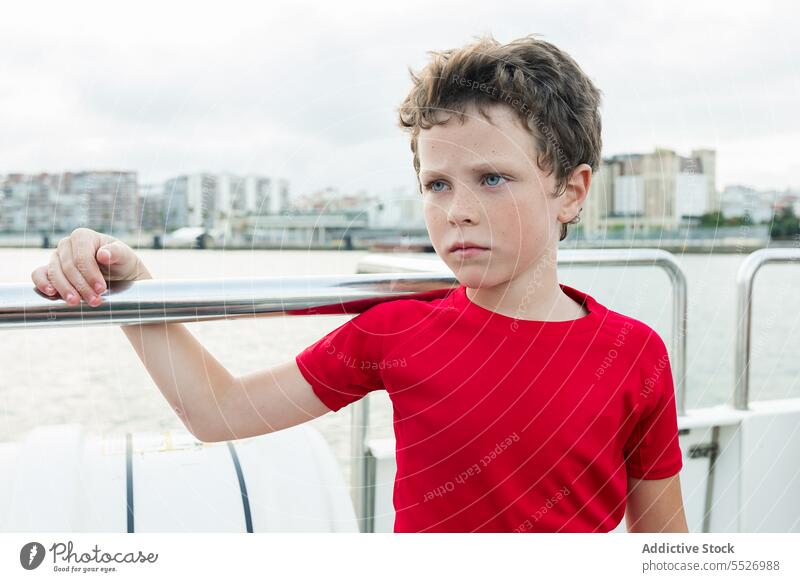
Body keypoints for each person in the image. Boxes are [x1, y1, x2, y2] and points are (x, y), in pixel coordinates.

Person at [30, 33, 687, 533]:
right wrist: (132, 284)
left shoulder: (634, 355)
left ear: (570, 192)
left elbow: (665, 547)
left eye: (492, 178)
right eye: (436, 184)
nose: (456, 209)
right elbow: (218, 411)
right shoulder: (398, 328)